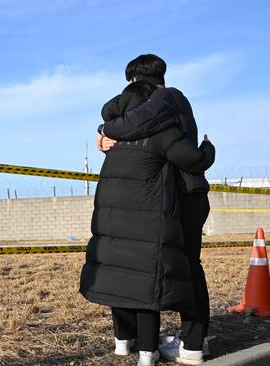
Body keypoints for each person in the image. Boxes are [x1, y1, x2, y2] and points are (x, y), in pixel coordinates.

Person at [79, 79, 215, 366]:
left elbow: (115, 114)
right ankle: (189, 344)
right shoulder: (160, 125)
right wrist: (208, 147)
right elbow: (195, 158)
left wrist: (104, 130)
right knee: (174, 272)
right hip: (172, 203)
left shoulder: (163, 102)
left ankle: (137, 342)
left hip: (174, 201)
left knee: (131, 272)